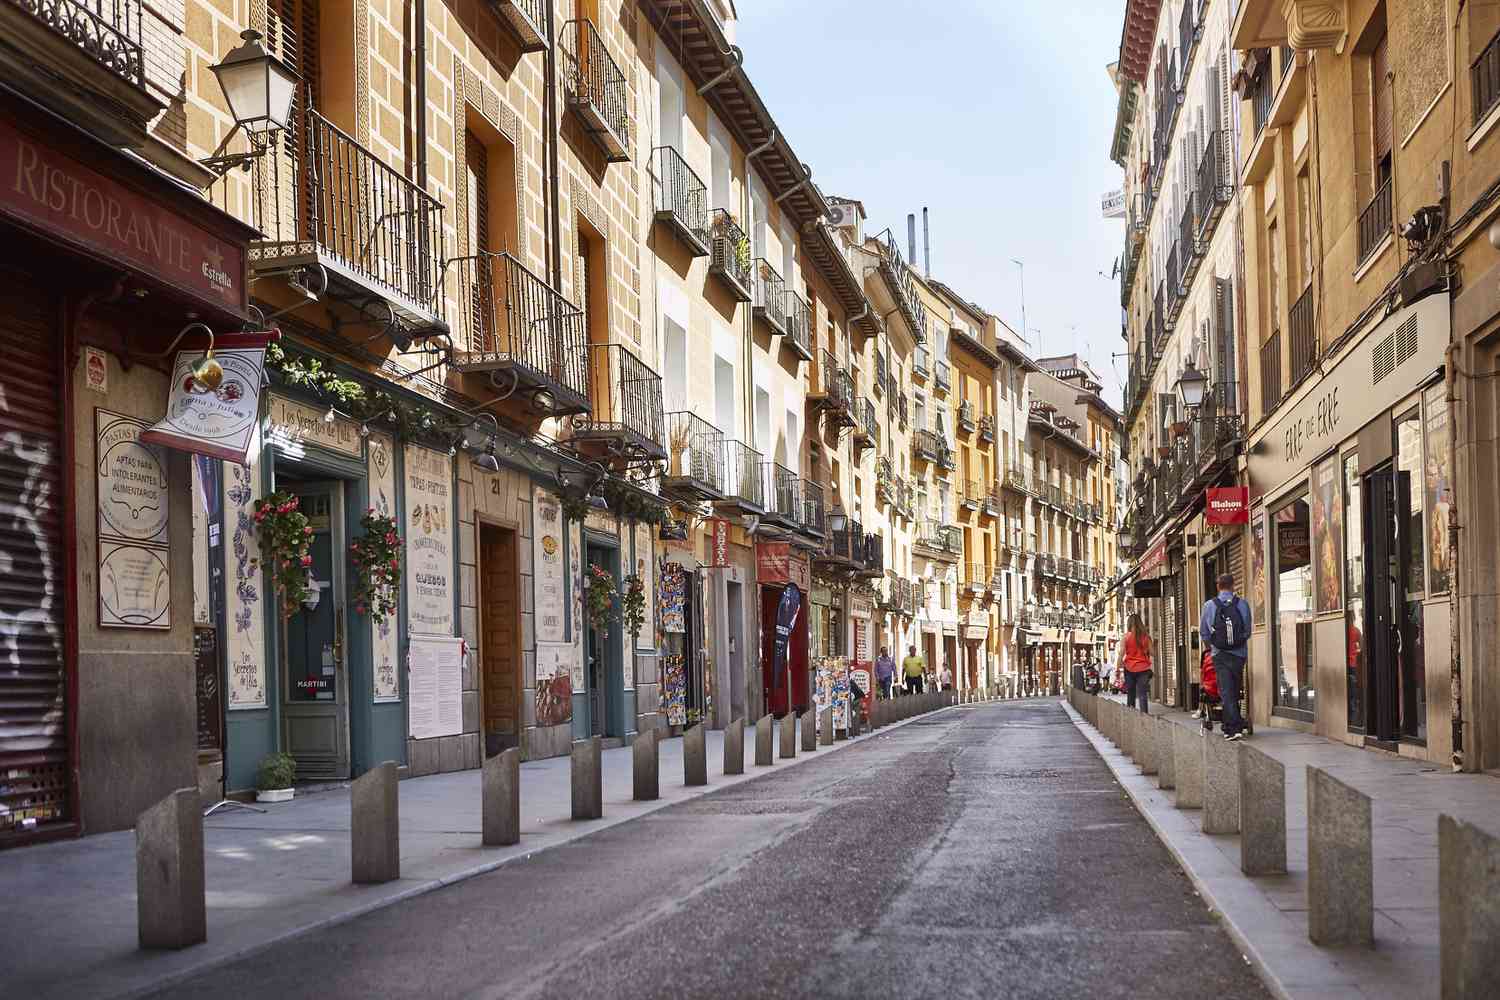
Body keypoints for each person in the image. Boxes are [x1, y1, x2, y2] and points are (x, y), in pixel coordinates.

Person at [1201, 572, 1253, 741]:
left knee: (1226, 691)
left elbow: (1204, 633)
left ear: (1218, 586)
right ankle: (1235, 722)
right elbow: (1247, 631)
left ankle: (1232, 728)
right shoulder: (1243, 604)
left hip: (1220, 654)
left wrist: (1213, 648)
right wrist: (1237, 644)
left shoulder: (1209, 606)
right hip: (1239, 654)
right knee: (1235, 689)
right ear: (1233, 585)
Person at [1117, 612, 1154, 713]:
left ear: (1129, 623)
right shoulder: (1146, 637)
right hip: (1144, 669)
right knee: (1143, 695)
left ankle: (1131, 716)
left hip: (1129, 669)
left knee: (1131, 694)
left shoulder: (1126, 637)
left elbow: (1121, 654)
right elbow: (1153, 653)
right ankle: (1145, 717)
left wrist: (1117, 668)